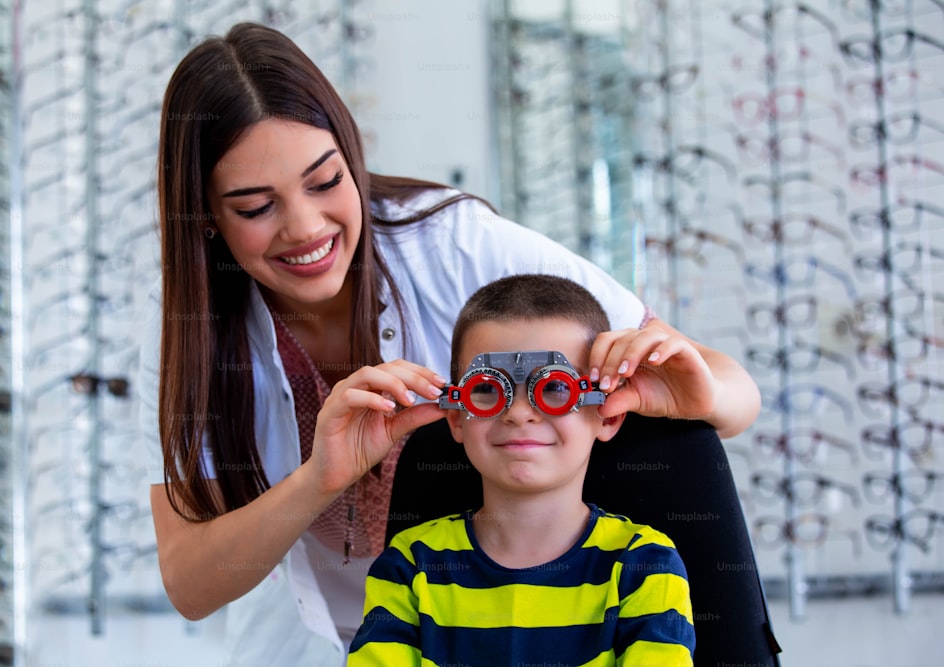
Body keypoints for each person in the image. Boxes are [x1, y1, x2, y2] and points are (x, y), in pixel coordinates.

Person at [140, 21, 775, 667]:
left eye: (327, 180)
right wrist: (319, 479)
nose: (305, 226)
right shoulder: (191, 324)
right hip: (312, 637)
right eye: (254, 208)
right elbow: (190, 583)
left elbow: (731, 390)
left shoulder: (456, 245)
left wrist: (695, 393)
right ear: (207, 219)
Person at [346, 274, 695, 666]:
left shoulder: (644, 565)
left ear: (608, 413)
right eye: (488, 389)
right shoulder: (409, 566)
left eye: (554, 388)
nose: (519, 413)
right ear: (457, 419)